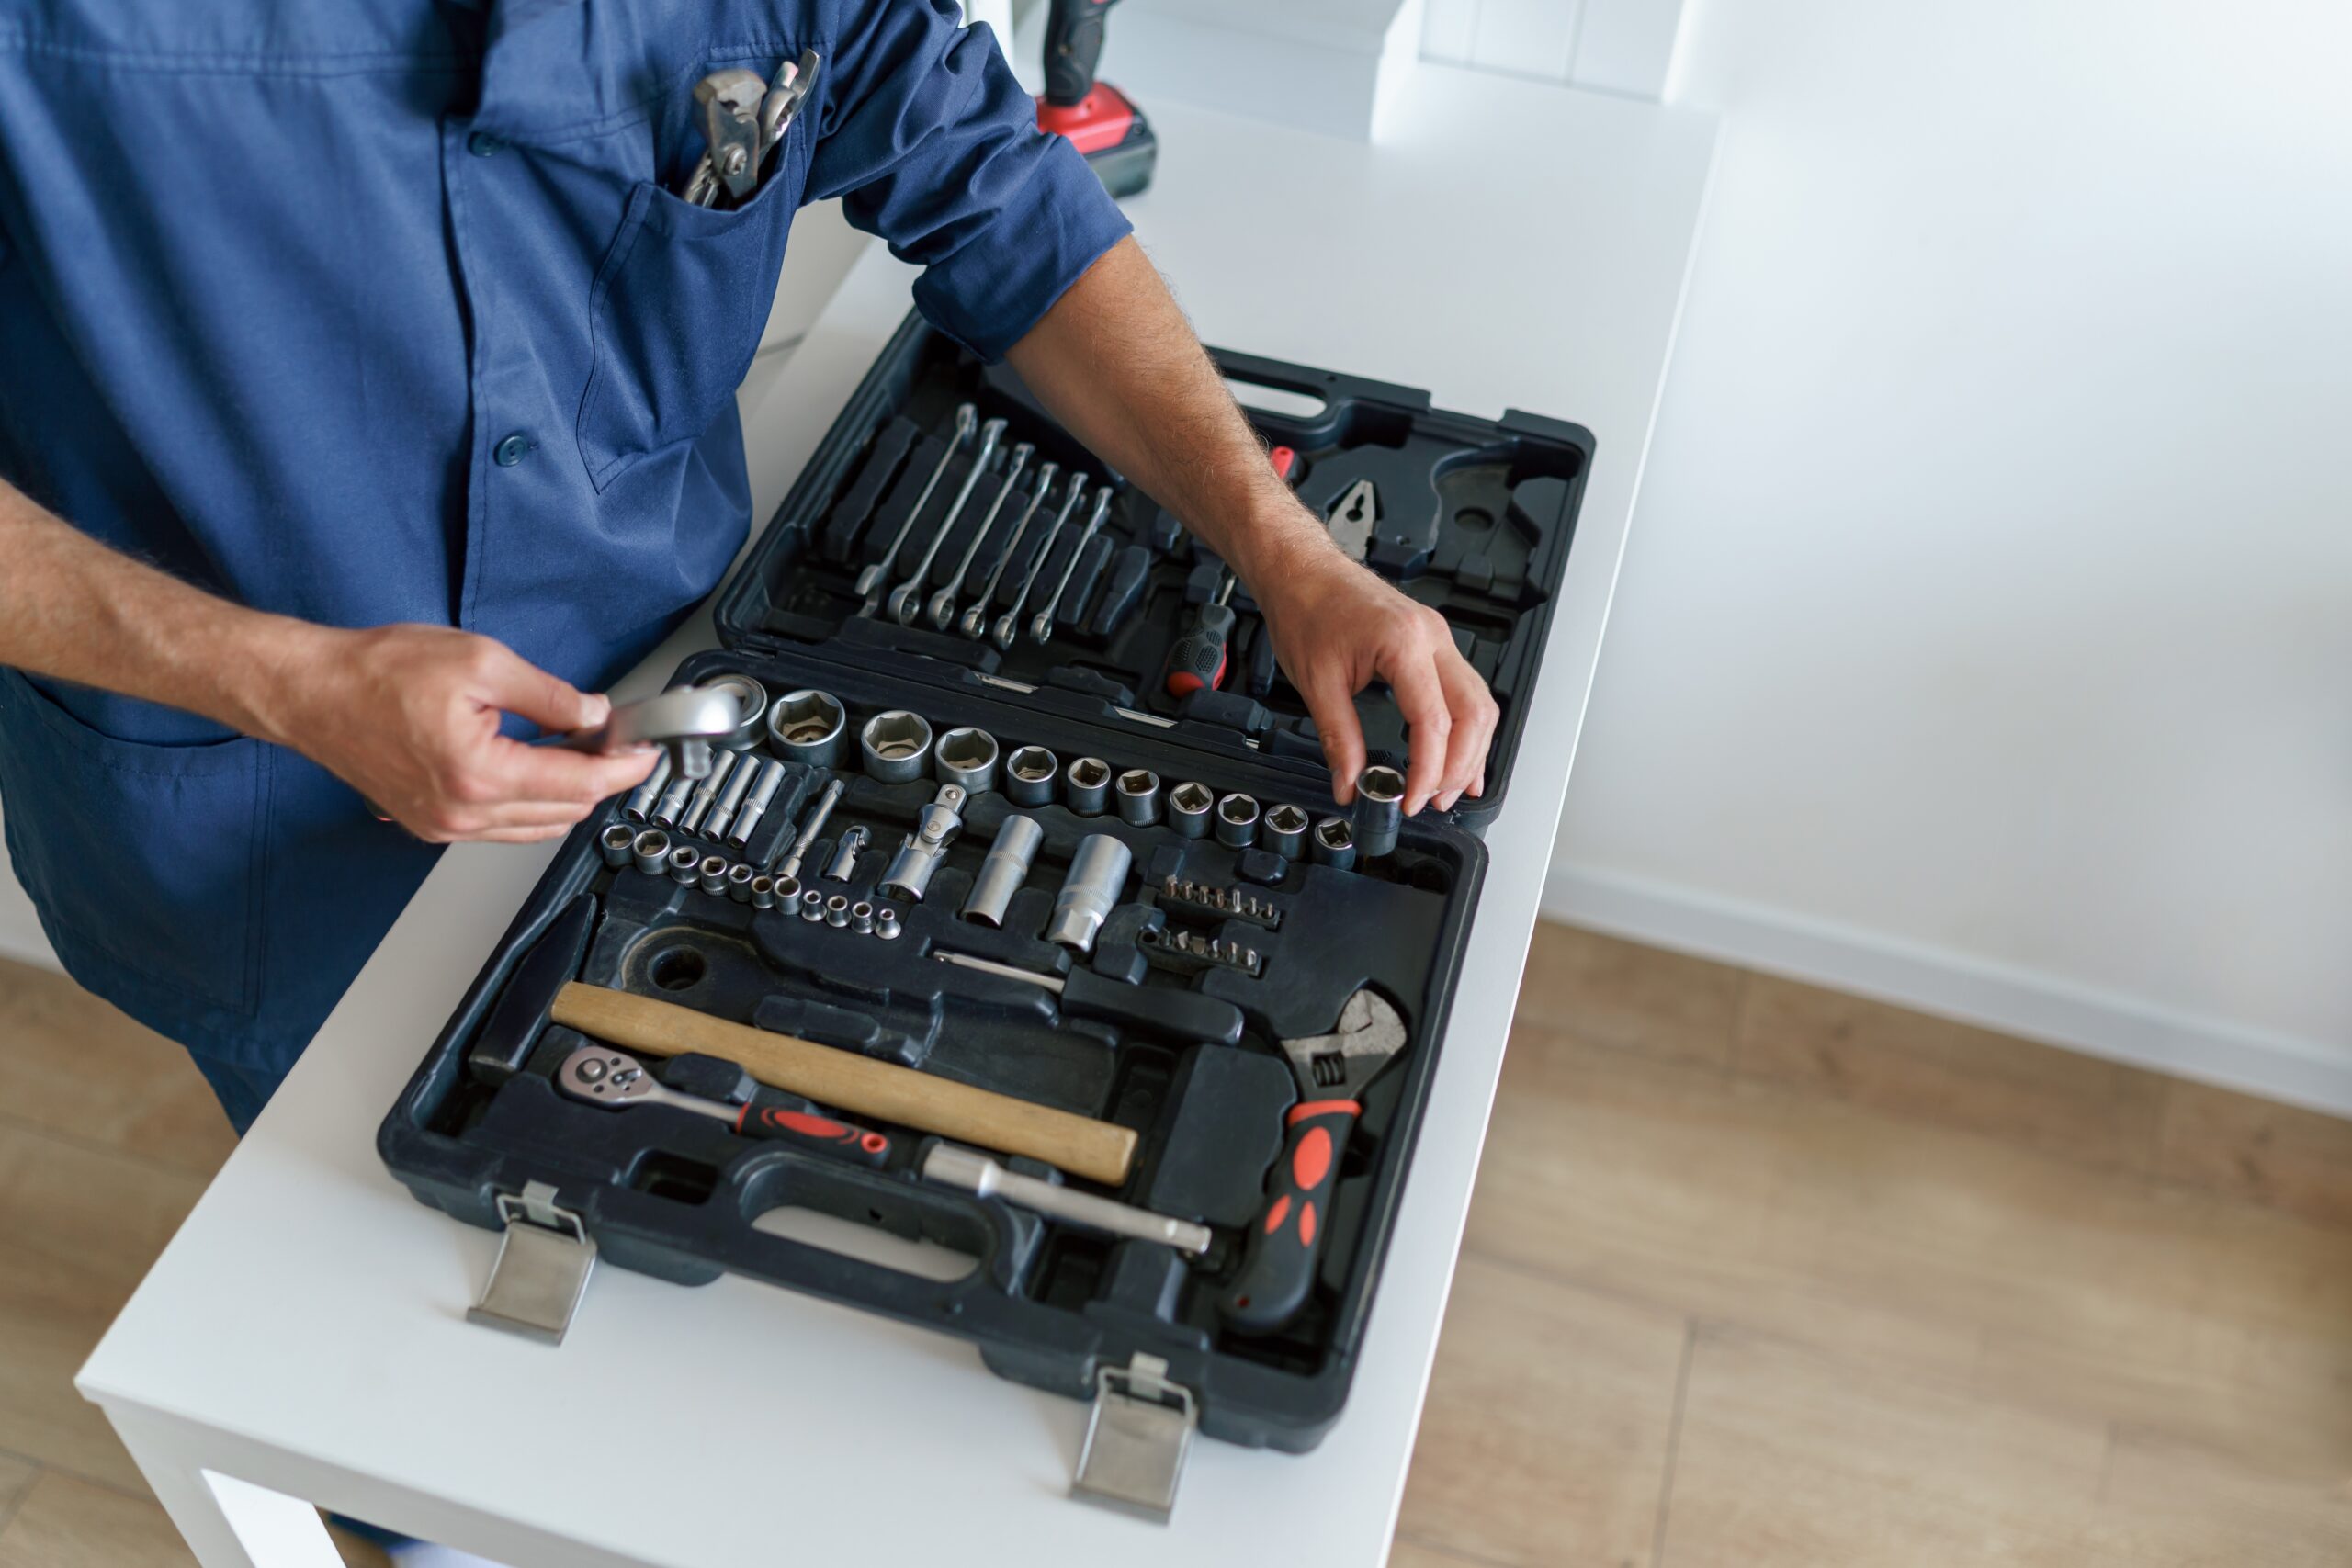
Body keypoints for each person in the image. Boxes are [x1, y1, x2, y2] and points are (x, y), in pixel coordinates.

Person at [0, 0, 1498, 1134]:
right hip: (261, 797)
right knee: (389, 1255)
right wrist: (291, 679)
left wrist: (1284, 549)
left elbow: (984, 179)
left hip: (693, 717)